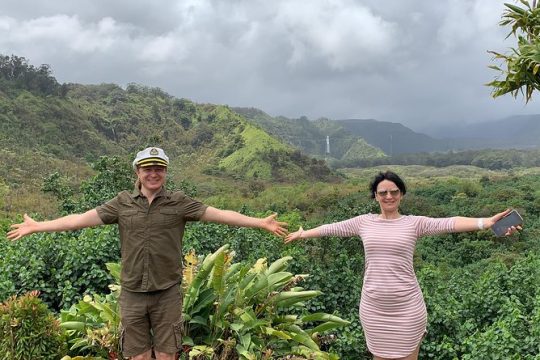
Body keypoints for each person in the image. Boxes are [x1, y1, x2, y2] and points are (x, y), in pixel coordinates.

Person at [7, 146, 288, 360]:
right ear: (137, 172)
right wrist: (37, 226)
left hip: (167, 293)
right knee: (137, 355)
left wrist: (259, 222)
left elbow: (220, 215)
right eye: (147, 168)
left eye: (159, 168)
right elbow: (78, 219)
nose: (153, 173)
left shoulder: (179, 202)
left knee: (167, 354)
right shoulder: (122, 203)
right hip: (132, 293)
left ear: (165, 172)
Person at [285, 170, 520, 360]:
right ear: (375, 196)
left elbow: (449, 223)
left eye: (394, 192)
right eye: (383, 192)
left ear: (401, 195)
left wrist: (486, 222)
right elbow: (332, 228)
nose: (389, 196)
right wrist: (304, 233)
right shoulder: (363, 223)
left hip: (407, 308)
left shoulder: (414, 224)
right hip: (374, 308)